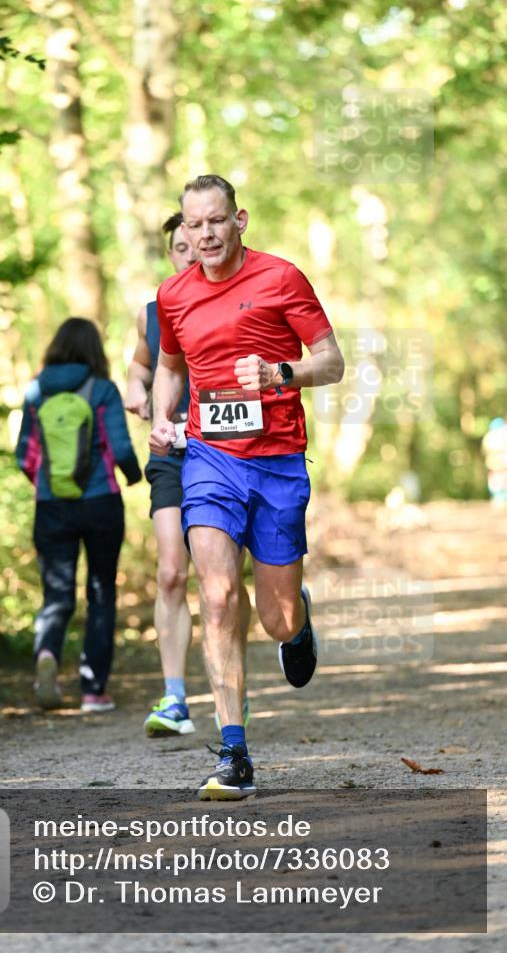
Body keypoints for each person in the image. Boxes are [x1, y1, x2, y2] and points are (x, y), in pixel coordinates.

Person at [149, 175, 344, 800]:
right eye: (193, 224)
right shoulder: (172, 295)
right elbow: (170, 365)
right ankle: (233, 751)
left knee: (275, 621)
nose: (204, 234)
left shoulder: (281, 278)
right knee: (216, 590)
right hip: (210, 459)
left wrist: (278, 372)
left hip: (279, 459)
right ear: (183, 230)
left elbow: (332, 360)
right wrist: (160, 413)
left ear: (240, 221)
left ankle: (298, 620)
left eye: (216, 221)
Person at [125, 214, 251, 737]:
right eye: (179, 246)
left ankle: (234, 686)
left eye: (195, 242)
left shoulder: (239, 299)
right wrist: (136, 391)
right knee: (173, 572)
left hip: (229, 452)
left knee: (224, 585)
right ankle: (175, 698)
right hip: (172, 452)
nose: (190, 251)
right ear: (173, 252)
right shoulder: (154, 311)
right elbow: (141, 365)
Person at [16, 318, 142, 713]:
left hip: (52, 507)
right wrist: (136, 476)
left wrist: (47, 485)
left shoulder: (36, 391)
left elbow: (25, 454)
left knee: (57, 595)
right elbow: (120, 446)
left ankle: (46, 657)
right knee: (101, 591)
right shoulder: (102, 389)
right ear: (93, 350)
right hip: (101, 501)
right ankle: (93, 690)